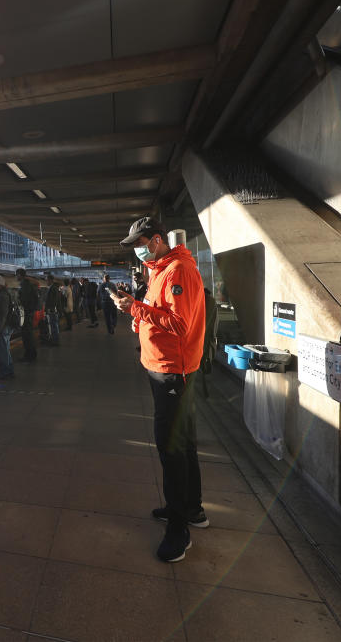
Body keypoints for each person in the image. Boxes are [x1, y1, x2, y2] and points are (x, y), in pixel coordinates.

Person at [112, 216, 207, 563]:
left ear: (154, 241)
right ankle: (192, 508)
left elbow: (181, 324)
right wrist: (137, 312)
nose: (137, 251)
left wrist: (135, 307)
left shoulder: (178, 270)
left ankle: (179, 532)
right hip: (166, 369)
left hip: (172, 372)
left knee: (172, 449)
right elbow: (160, 312)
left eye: (139, 244)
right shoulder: (161, 270)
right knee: (185, 443)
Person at [16, 269, 38, 363]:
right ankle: (31, 354)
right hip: (29, 312)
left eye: (16, 275)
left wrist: (18, 301)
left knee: (27, 335)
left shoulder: (24, 285)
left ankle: (29, 355)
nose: (16, 277)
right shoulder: (28, 284)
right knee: (28, 335)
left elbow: (24, 301)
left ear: (20, 275)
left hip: (27, 313)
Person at [44, 274, 61, 345]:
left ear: (50, 280)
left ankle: (55, 341)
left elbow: (53, 300)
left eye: (47, 280)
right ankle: (55, 340)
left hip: (52, 310)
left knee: (54, 325)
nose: (46, 282)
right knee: (54, 325)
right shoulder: (53, 287)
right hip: (52, 309)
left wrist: (50, 308)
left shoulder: (53, 288)